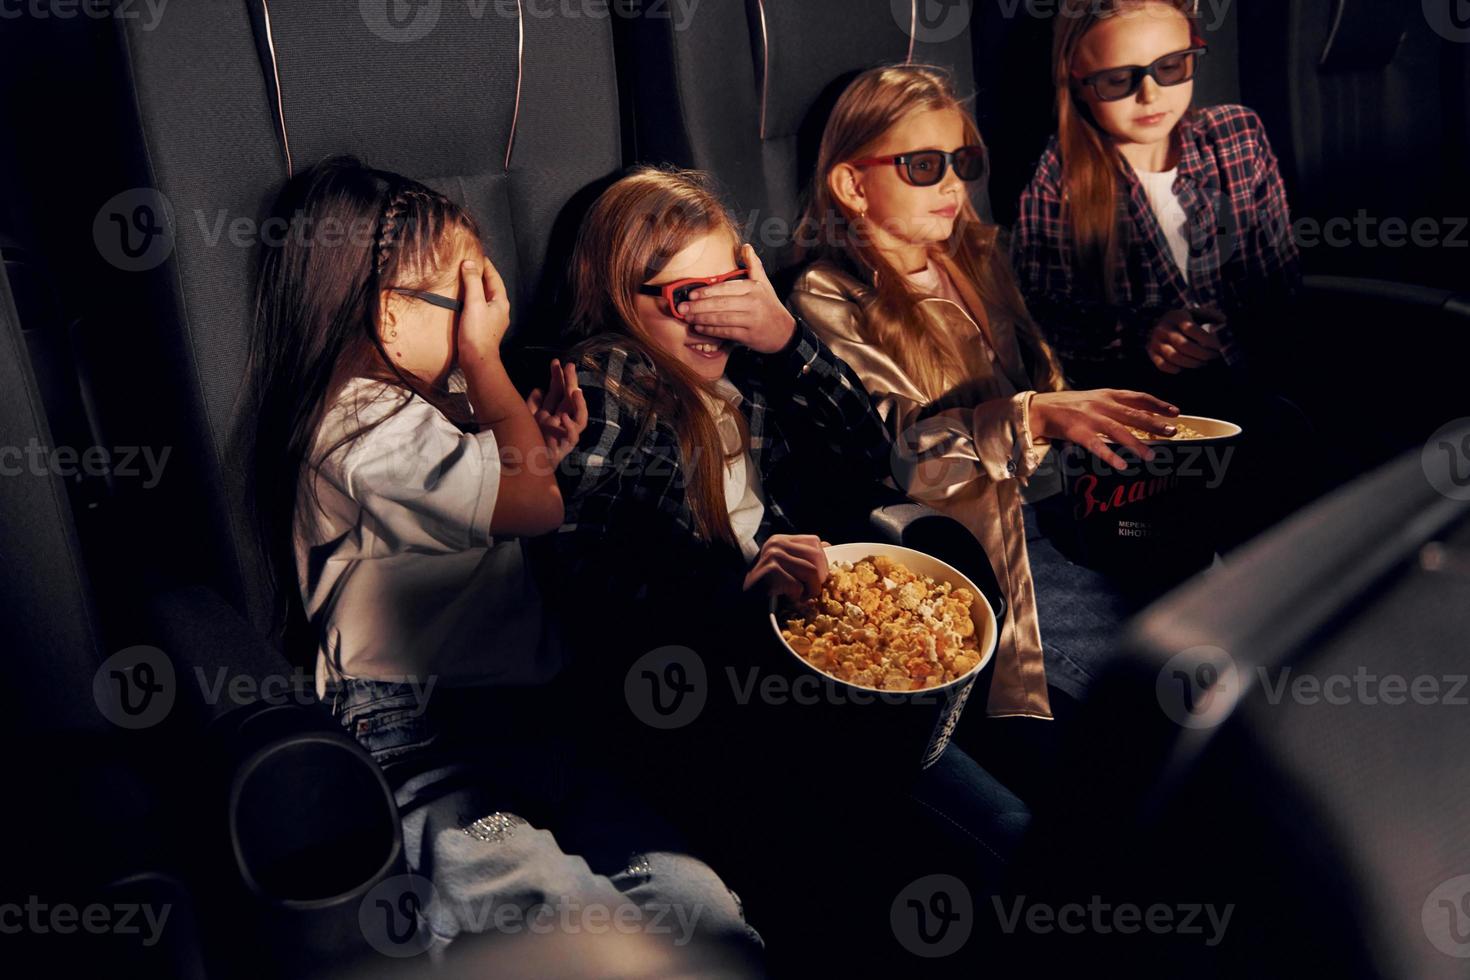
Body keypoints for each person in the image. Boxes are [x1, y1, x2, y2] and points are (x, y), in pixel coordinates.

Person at [244, 157, 760, 965]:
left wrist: (536, 446)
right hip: (421, 738)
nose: (490, 319)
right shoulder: (357, 426)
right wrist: (489, 368)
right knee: (541, 903)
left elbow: (497, 499)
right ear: (388, 317)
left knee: (694, 906)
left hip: (528, 716)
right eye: (469, 299)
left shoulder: (420, 410)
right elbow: (534, 508)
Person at [543, 165, 1032, 972]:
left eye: (729, 289)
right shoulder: (613, 375)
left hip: (827, 680)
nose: (714, 319)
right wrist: (733, 592)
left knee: (1016, 838)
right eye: (682, 299)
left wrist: (783, 337)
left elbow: (871, 462)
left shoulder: (751, 378)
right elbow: (580, 565)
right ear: (622, 297)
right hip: (718, 702)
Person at [789, 65, 1179, 749]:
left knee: (1221, 605)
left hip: (1067, 505)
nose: (953, 185)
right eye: (923, 165)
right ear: (851, 185)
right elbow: (901, 457)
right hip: (987, 543)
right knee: (1154, 689)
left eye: (963, 162)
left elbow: (1042, 374)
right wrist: (1033, 417)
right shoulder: (830, 296)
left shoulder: (972, 259)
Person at [1014, 0, 1310, 549]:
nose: (1150, 96)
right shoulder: (1061, 175)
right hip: (1144, 432)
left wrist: (1228, 330)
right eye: (1118, 80)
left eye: (1170, 68)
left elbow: (1280, 287)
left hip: (1253, 397)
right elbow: (1041, 324)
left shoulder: (1237, 136)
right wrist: (1143, 330)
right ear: (1078, 82)